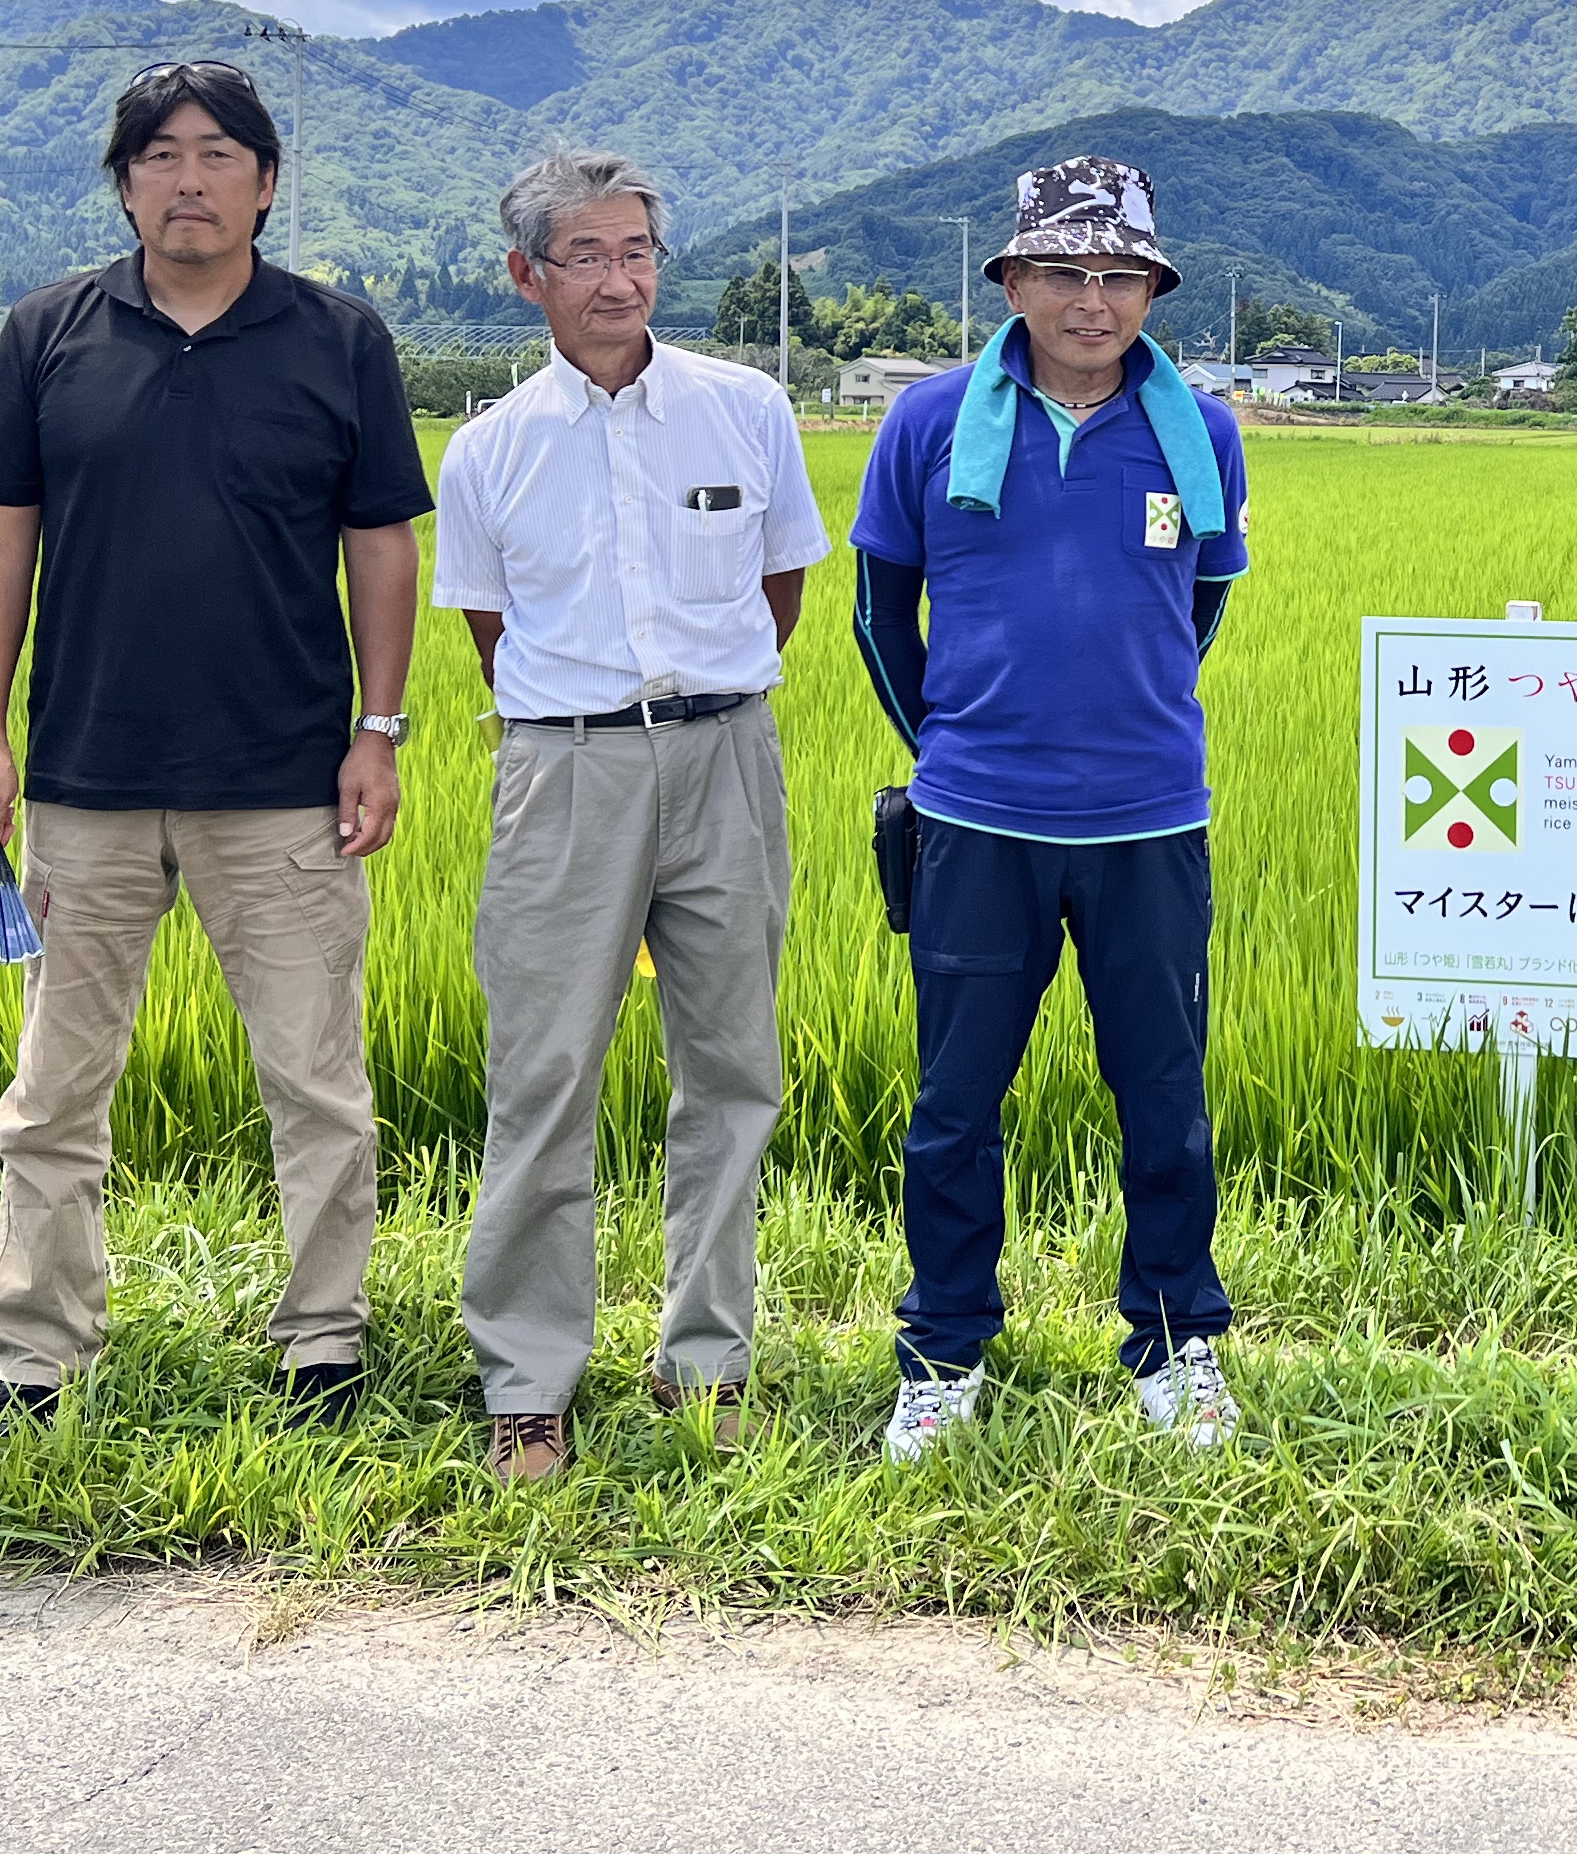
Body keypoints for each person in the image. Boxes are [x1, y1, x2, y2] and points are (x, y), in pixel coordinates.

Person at [0, 60, 429, 1426]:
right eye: (160, 154)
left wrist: (376, 731)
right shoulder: (49, 332)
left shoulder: (340, 338)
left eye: (219, 153)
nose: (190, 177)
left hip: (281, 783)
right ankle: (38, 1354)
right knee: (52, 1092)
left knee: (317, 1081)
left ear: (266, 182)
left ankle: (322, 1343)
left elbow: (380, 549)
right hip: (85, 781)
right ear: (125, 182)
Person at [432, 150, 827, 1483]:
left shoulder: (747, 410)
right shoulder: (488, 452)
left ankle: (705, 1359)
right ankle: (528, 1378)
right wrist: (596, 724)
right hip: (566, 770)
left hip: (728, 756)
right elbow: (493, 634)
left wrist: (698, 709)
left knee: (732, 1068)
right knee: (544, 1073)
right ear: (527, 276)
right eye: (588, 255)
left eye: (639, 250)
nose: (620, 277)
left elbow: (780, 594)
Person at [848, 157, 1250, 1462]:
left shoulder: (1202, 433)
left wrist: (1127, 720)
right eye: (1065, 270)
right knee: (956, 1104)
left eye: (1121, 273)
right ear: (1011, 279)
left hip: (1148, 826)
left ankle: (1175, 1343)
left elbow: (1201, 604)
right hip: (977, 825)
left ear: (1152, 288)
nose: (1094, 297)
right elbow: (877, 614)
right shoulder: (927, 421)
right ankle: (944, 1350)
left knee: (1166, 1097)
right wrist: (963, 747)